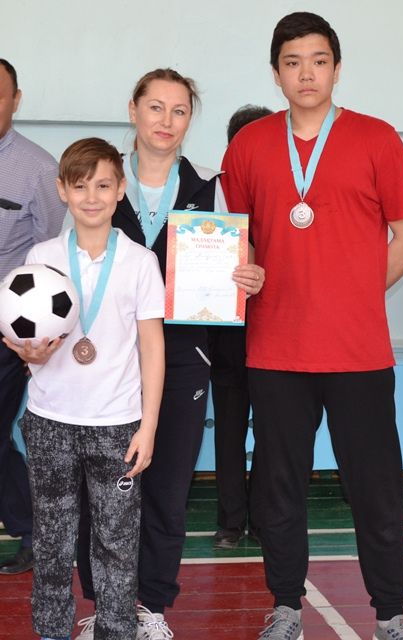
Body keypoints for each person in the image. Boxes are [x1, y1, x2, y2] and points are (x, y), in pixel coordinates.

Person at [221, 12, 403, 640]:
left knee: (375, 489)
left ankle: (391, 614)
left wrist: (355, 294)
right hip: (275, 350)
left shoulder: (377, 138)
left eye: (318, 61)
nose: (306, 73)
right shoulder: (249, 145)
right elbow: (236, 240)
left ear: (337, 68)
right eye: (292, 63)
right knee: (278, 490)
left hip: (358, 350)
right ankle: (286, 607)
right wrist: (242, 269)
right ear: (276, 73)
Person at [74, 69, 264, 640]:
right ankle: (105, 606)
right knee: (100, 489)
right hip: (107, 358)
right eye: (155, 107)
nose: (166, 121)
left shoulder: (211, 185)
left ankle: (151, 605)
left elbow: (241, 257)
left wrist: (248, 276)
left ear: (189, 120)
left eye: (179, 111)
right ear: (133, 110)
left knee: (167, 486)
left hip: (183, 359)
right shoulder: (101, 179)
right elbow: (71, 266)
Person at [3, 137, 166, 640]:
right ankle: (52, 630)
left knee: (117, 543)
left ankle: (116, 631)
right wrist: (27, 353)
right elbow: (27, 338)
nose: (91, 197)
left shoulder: (140, 261)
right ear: (62, 191)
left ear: (120, 190)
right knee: (52, 541)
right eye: (79, 186)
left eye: (102, 185)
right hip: (51, 421)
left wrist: (148, 427)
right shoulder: (42, 256)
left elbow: (152, 347)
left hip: (117, 425)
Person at [0, 58, 67, 575]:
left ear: (16, 100)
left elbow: (51, 258)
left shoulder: (40, 168)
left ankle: (31, 530)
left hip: (7, 332)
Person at [209, 104, 272, 550]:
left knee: (271, 429)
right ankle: (233, 520)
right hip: (229, 330)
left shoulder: (288, 194)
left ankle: (260, 520)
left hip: (274, 327)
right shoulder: (214, 192)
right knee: (231, 427)